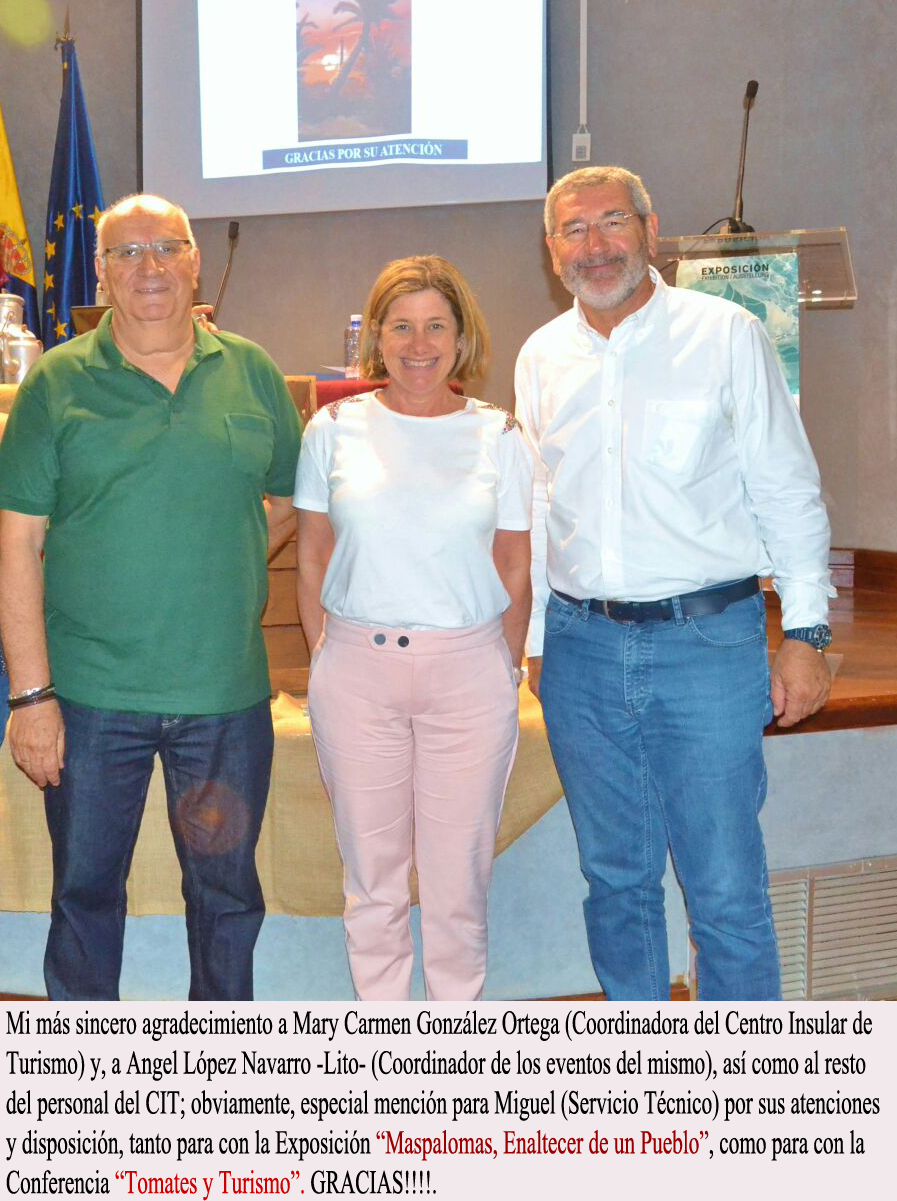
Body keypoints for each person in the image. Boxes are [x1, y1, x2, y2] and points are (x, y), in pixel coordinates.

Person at [515, 166, 833, 1002]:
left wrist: (806, 632)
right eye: (573, 230)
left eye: (611, 222)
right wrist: (539, 640)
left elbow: (785, 487)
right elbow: (541, 502)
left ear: (649, 231)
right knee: (614, 882)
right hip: (580, 649)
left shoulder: (725, 333)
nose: (594, 245)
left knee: (724, 889)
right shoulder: (540, 355)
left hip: (707, 645)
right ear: (551, 250)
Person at [0, 193, 301, 1001]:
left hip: (223, 700)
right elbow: (16, 545)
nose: (149, 266)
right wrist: (31, 696)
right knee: (84, 897)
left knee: (226, 899)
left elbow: (286, 503)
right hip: (92, 701)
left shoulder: (252, 370)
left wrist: (216, 561)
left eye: (166, 247)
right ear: (100, 273)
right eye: (126, 252)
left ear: (194, 261)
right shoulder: (56, 382)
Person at [295, 254, 534, 1000]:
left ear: (462, 338)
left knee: (458, 886)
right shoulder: (332, 429)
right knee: (374, 885)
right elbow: (312, 557)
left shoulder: (500, 434)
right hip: (357, 674)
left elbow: (514, 564)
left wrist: (505, 670)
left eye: (436, 326)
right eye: (401, 326)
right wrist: (325, 661)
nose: (419, 344)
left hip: (468, 676)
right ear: (377, 336)